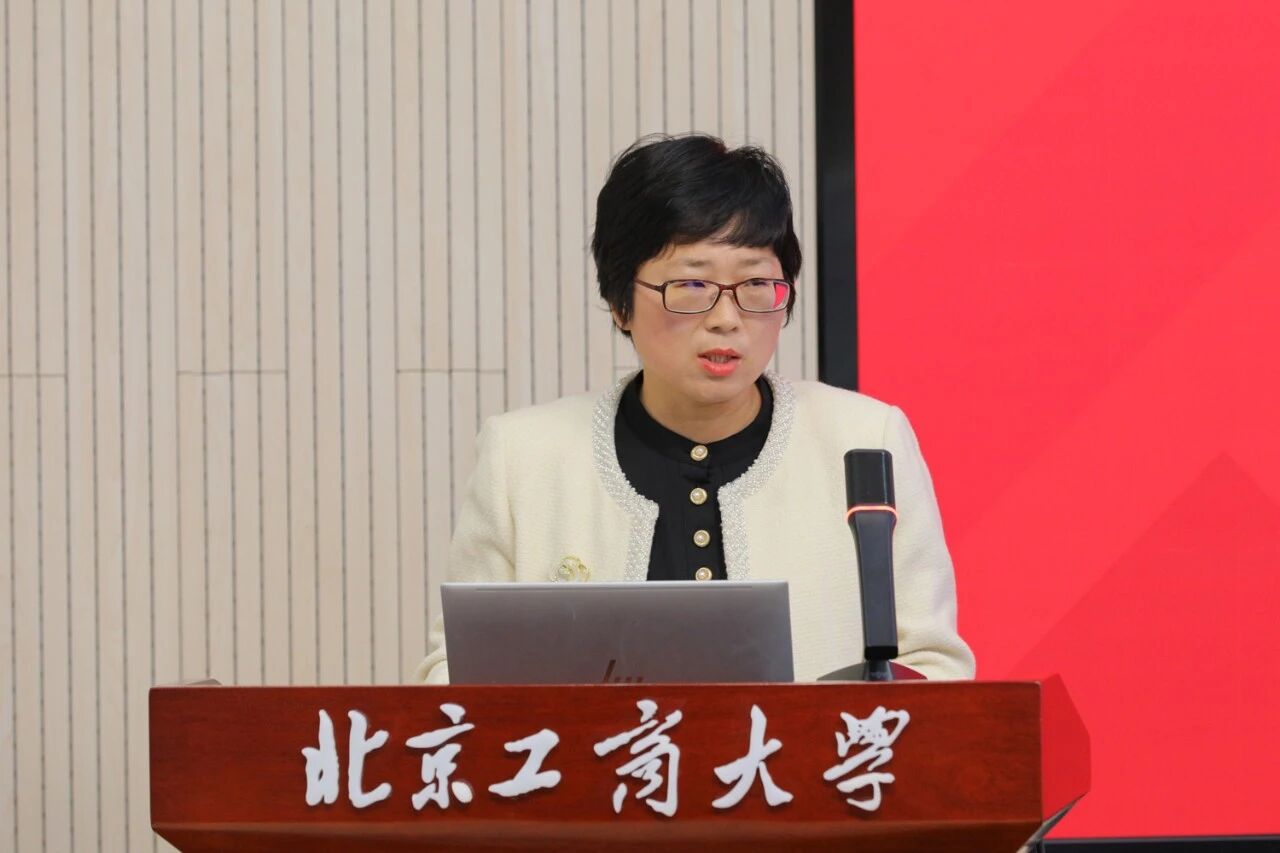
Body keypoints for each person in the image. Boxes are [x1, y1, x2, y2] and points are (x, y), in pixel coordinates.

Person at [414, 133, 974, 684]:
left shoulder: (866, 438)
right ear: (620, 302)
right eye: (691, 284)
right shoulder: (524, 457)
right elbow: (454, 673)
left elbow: (934, 665)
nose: (726, 319)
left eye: (755, 284)